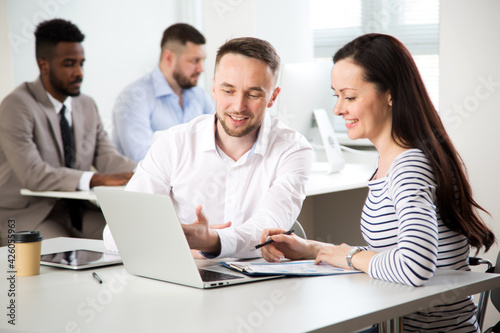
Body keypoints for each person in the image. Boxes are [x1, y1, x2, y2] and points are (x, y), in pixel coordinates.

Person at [259, 33, 495, 332]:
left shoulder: (409, 166)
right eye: (337, 96)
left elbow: (414, 266)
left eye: (350, 96)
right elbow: (395, 251)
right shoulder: (395, 160)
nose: (338, 109)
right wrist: (312, 249)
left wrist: (346, 256)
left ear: (390, 94)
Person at [103, 37, 314, 258]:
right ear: (213, 88)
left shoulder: (293, 150)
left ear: (273, 97)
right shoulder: (174, 144)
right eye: (228, 91)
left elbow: (268, 228)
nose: (238, 106)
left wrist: (210, 242)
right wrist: (195, 248)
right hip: (185, 281)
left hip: (259, 283)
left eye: (253, 94)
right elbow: (116, 233)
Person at [0, 19, 137, 246]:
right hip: (28, 215)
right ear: (43, 65)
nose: (79, 73)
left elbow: (108, 158)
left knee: (128, 239)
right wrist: (96, 179)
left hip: (75, 211)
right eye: (69, 64)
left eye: (81, 63)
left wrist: (146, 171)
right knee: (60, 253)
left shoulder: (86, 105)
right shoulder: (17, 106)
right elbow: (34, 174)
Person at [112, 23, 214, 162]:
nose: (201, 68)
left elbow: (218, 142)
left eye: (202, 61)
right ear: (169, 58)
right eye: (195, 61)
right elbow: (144, 160)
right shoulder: (133, 98)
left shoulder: (199, 95)